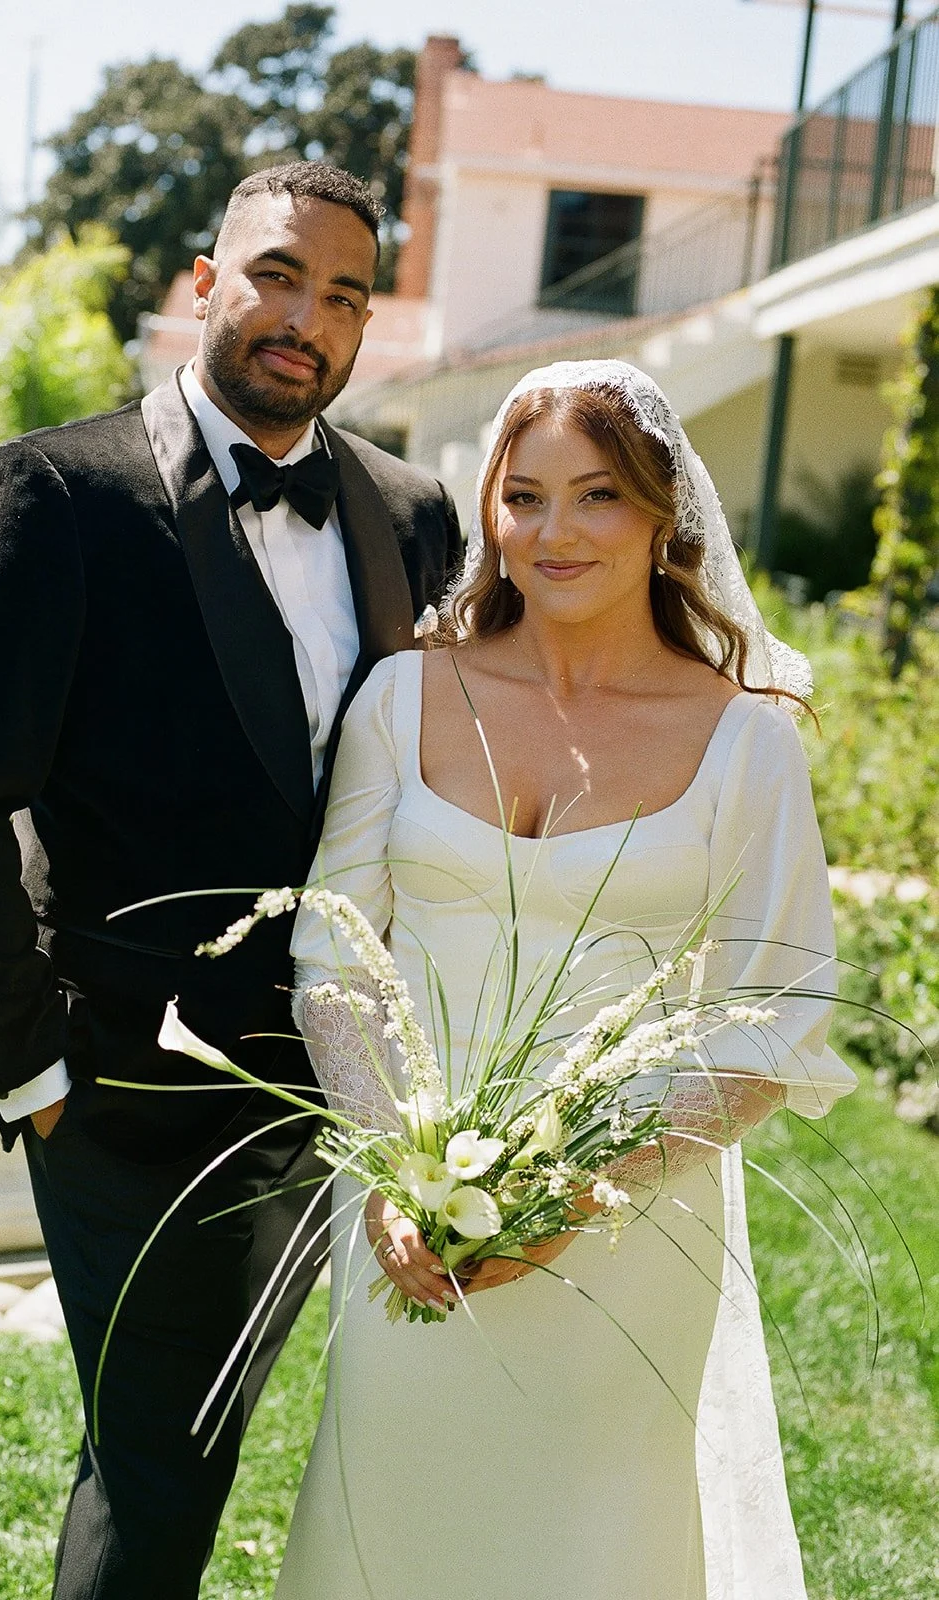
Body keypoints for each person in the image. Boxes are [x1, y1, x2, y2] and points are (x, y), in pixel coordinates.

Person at [0, 162, 461, 1600]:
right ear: (204, 283)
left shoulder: (413, 512)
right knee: (163, 1467)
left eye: (343, 296)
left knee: (311, 1447)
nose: (304, 320)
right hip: (131, 1100)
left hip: (363, 1102)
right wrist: (36, 1077)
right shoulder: (49, 496)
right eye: (274, 273)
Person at [276, 360, 857, 1600]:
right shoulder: (404, 695)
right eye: (522, 496)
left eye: (595, 497)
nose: (552, 532)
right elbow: (331, 951)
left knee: (594, 1541)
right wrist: (393, 1176)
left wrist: (572, 1199)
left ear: (661, 518)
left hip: (632, 1228)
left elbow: (775, 1026)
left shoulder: (745, 739)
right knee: (394, 1515)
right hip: (404, 1224)